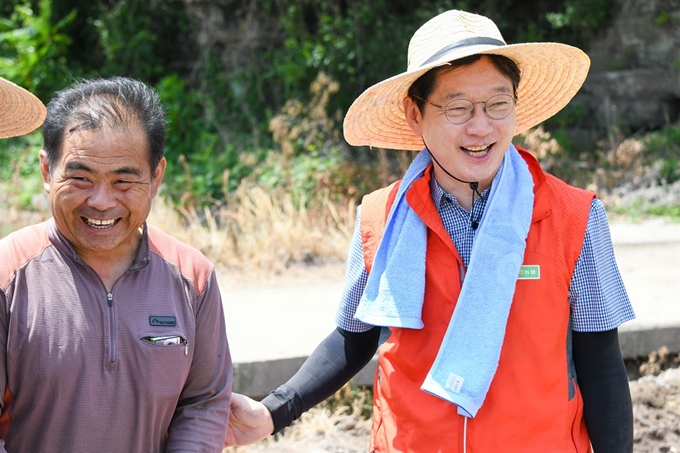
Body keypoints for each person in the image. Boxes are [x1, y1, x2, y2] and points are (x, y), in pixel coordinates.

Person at [226, 9, 636, 453]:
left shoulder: (574, 216)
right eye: (458, 108)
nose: (481, 127)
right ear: (414, 115)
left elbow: (602, 366)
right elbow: (354, 336)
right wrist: (274, 410)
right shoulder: (381, 218)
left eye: (498, 104)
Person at [0, 77, 232, 452]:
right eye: (80, 178)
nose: (102, 201)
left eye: (124, 181)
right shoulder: (7, 275)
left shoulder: (193, 277)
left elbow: (203, 403)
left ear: (156, 177)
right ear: (47, 172)